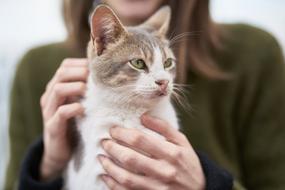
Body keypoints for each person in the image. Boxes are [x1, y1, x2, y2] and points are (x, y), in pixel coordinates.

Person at [5, 0, 285, 189]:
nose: (163, 81)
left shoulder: (254, 54)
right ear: (100, 42)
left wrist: (208, 183)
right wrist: (49, 167)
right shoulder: (35, 69)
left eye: (166, 64)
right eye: (139, 63)